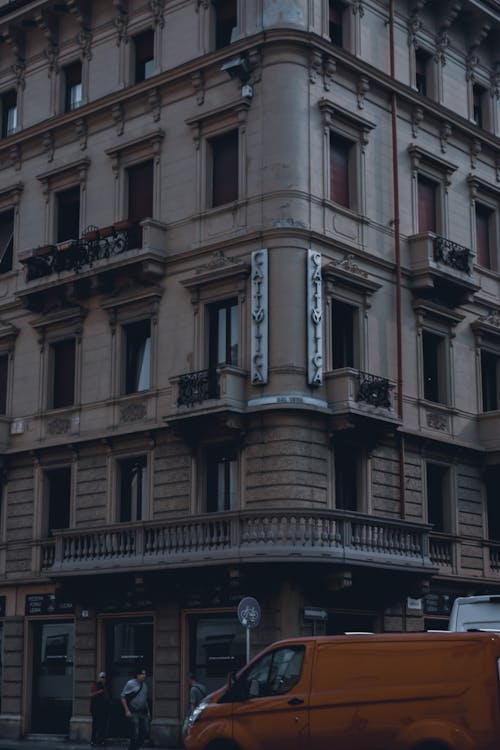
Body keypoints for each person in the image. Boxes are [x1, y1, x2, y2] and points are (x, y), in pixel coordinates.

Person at [120, 667, 151, 750]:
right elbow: (123, 697)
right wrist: (127, 710)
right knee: (135, 733)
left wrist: (148, 712)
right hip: (134, 711)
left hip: (143, 712)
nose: (144, 675)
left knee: (145, 732)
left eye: (145, 674)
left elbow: (145, 699)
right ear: (137, 675)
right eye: (142, 674)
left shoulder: (144, 685)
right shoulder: (130, 683)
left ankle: (135, 748)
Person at [90, 671, 110, 747]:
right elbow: (91, 694)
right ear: (99, 678)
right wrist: (98, 692)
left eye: (104, 677)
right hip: (96, 709)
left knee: (102, 726)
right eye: (102, 677)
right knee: (95, 725)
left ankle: (101, 740)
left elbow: (107, 697)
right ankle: (93, 740)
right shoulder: (95, 685)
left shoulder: (106, 686)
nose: (103, 679)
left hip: (104, 709)